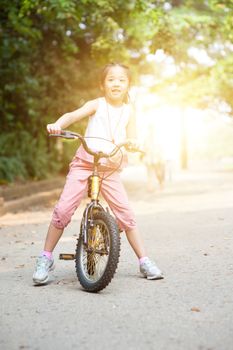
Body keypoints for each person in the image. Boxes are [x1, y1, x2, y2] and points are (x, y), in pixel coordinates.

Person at [33, 63, 164, 285]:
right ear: (102, 85)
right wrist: (57, 124)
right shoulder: (97, 104)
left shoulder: (129, 112)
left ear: (128, 85)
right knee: (63, 210)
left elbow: (133, 137)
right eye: (111, 79)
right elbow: (71, 115)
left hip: (110, 168)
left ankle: (144, 260)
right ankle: (45, 257)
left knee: (126, 215)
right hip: (85, 163)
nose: (116, 83)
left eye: (121, 80)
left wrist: (135, 144)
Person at [142, 124, 165, 191]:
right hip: (149, 159)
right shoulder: (147, 138)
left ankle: (161, 183)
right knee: (150, 174)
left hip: (157, 159)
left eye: (152, 129)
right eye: (150, 129)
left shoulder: (158, 138)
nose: (151, 130)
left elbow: (161, 148)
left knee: (158, 173)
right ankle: (150, 187)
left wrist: (161, 158)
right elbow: (144, 148)